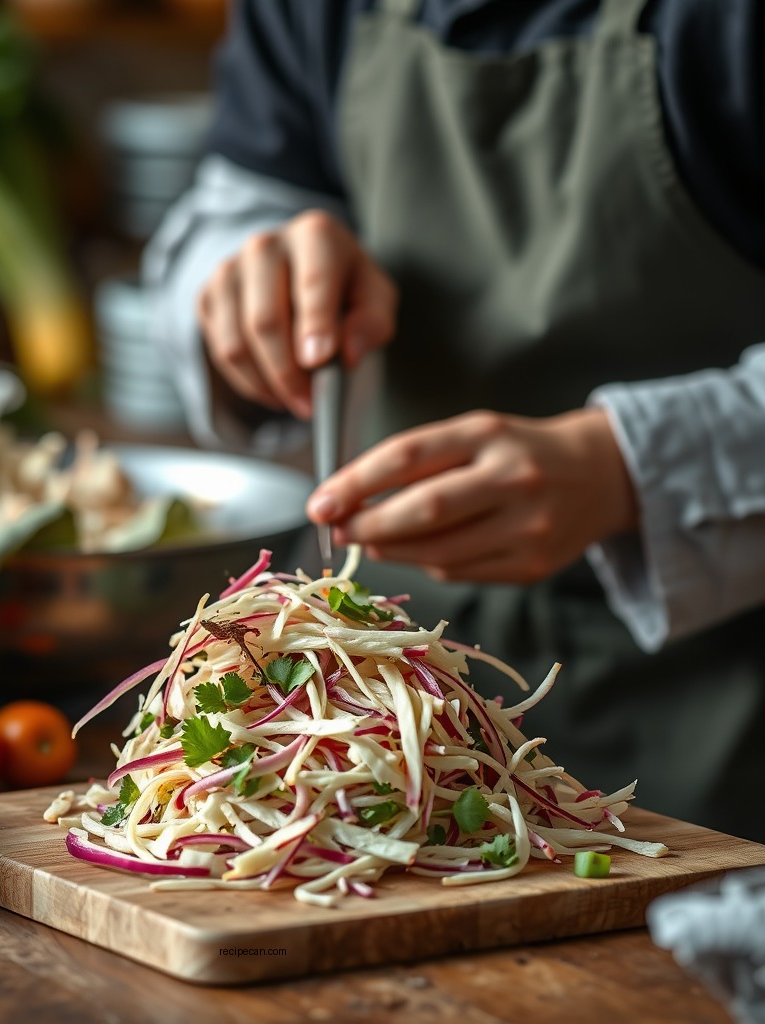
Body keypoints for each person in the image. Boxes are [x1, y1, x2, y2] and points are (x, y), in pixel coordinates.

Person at [141, 0, 765, 842]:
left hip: (718, 710)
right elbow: (243, 198)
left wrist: (629, 467)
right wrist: (251, 272)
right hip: (364, 676)